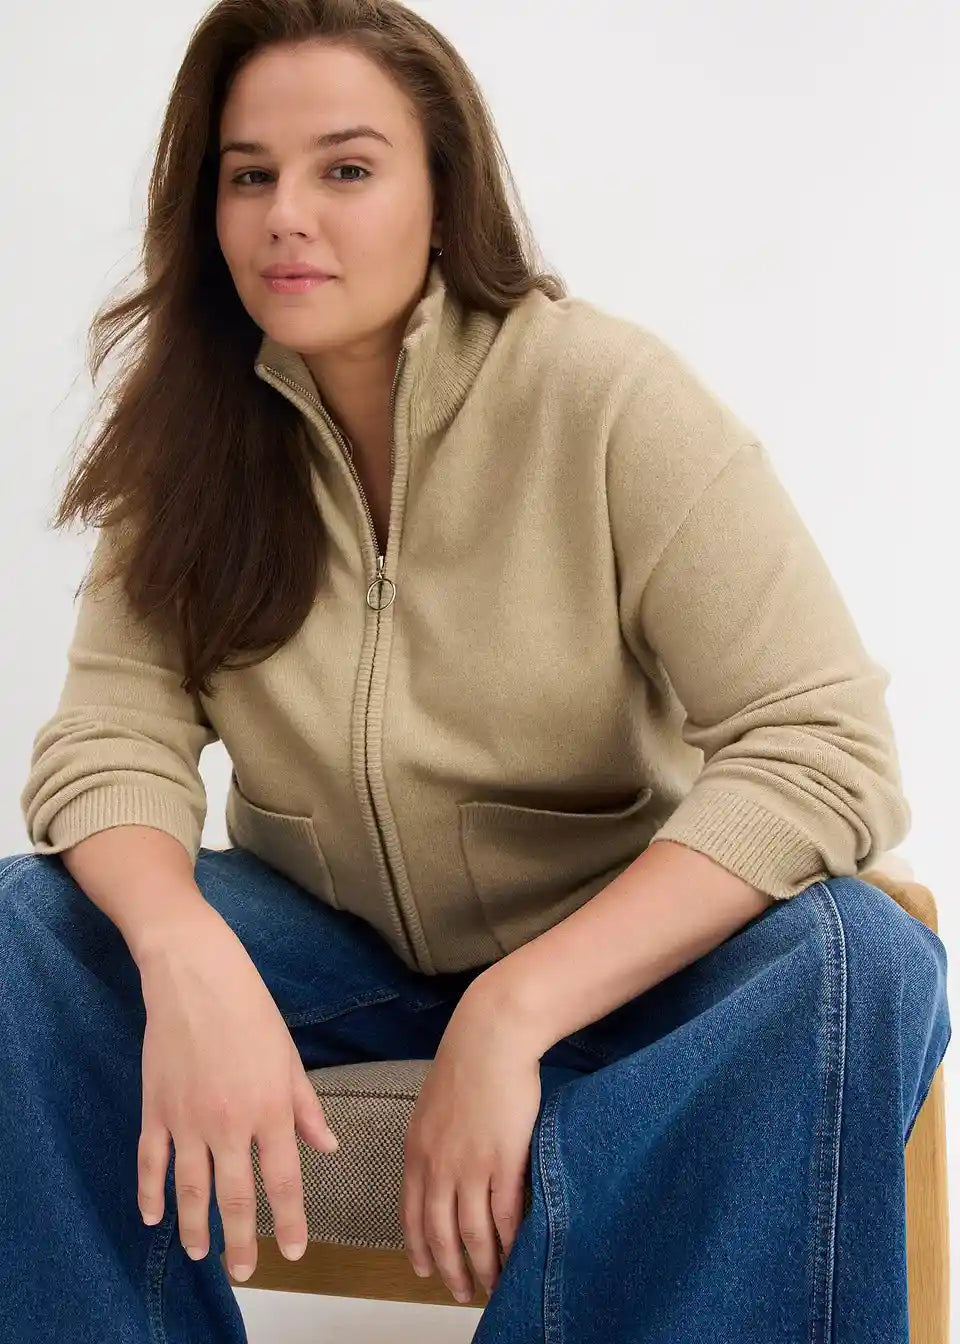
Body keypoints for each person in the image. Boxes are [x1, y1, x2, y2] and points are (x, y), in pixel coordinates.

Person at [2, 1, 951, 1340]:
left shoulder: (605, 399)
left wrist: (512, 1013)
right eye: (248, 175)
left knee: (862, 953)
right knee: (28, 931)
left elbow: (823, 744)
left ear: (444, 198)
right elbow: (109, 738)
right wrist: (179, 946)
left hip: (615, 957)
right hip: (324, 945)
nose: (286, 217)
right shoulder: (191, 438)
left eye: (345, 168)